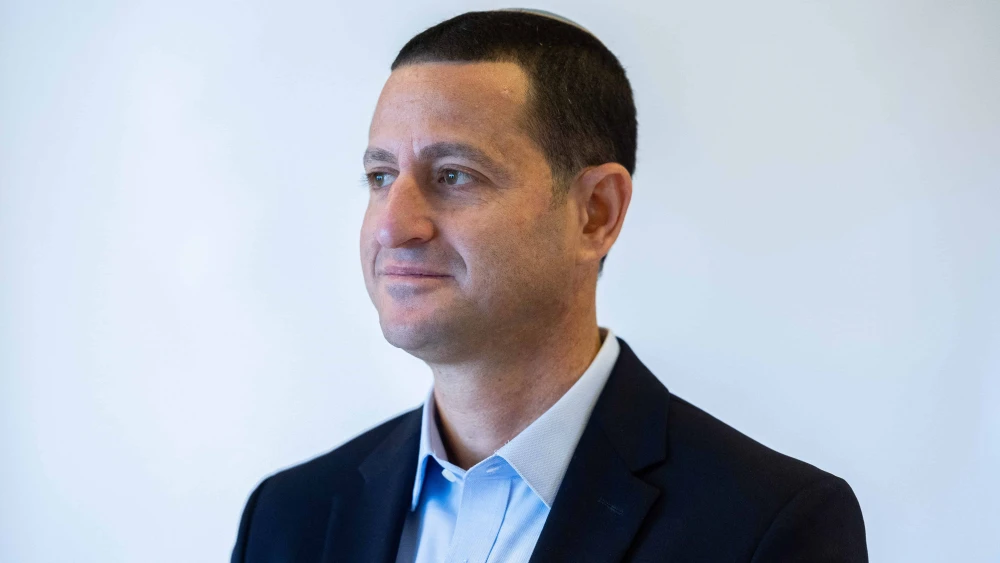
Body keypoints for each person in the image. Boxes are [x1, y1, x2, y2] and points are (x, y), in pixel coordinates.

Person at [230, 9, 868, 562]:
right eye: (379, 176)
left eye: (453, 175)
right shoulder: (289, 517)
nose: (394, 225)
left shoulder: (766, 527)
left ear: (596, 212)